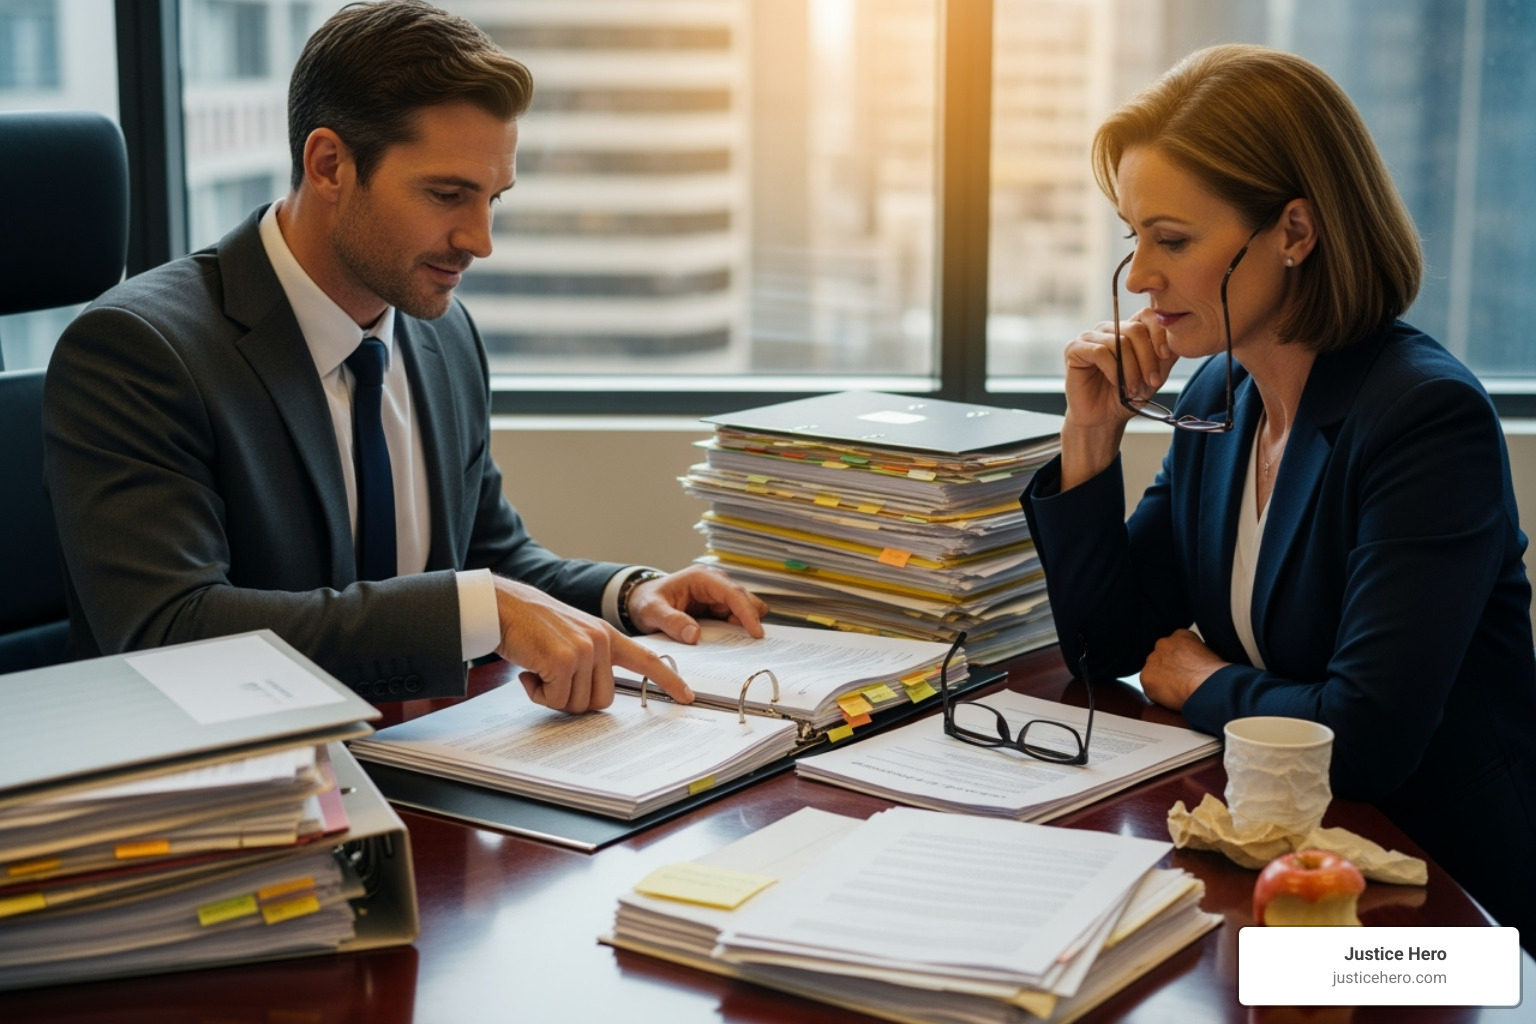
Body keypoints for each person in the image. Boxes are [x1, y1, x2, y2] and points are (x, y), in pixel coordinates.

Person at [42, 0, 765, 714]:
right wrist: (472, 608)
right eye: (447, 195)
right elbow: (170, 632)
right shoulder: (142, 352)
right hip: (244, 801)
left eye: (493, 200)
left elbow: (490, 559)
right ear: (329, 165)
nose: (480, 240)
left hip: (434, 776)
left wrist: (630, 594)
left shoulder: (443, 334)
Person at [1020, 44, 1536, 943]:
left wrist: (1204, 678)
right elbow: (1107, 643)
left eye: (1173, 241)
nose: (1140, 277)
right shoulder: (1223, 395)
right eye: (1133, 239)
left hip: (1441, 915)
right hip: (1287, 868)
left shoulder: (1425, 419)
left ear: (1295, 233)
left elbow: (1364, 739)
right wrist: (1092, 436)